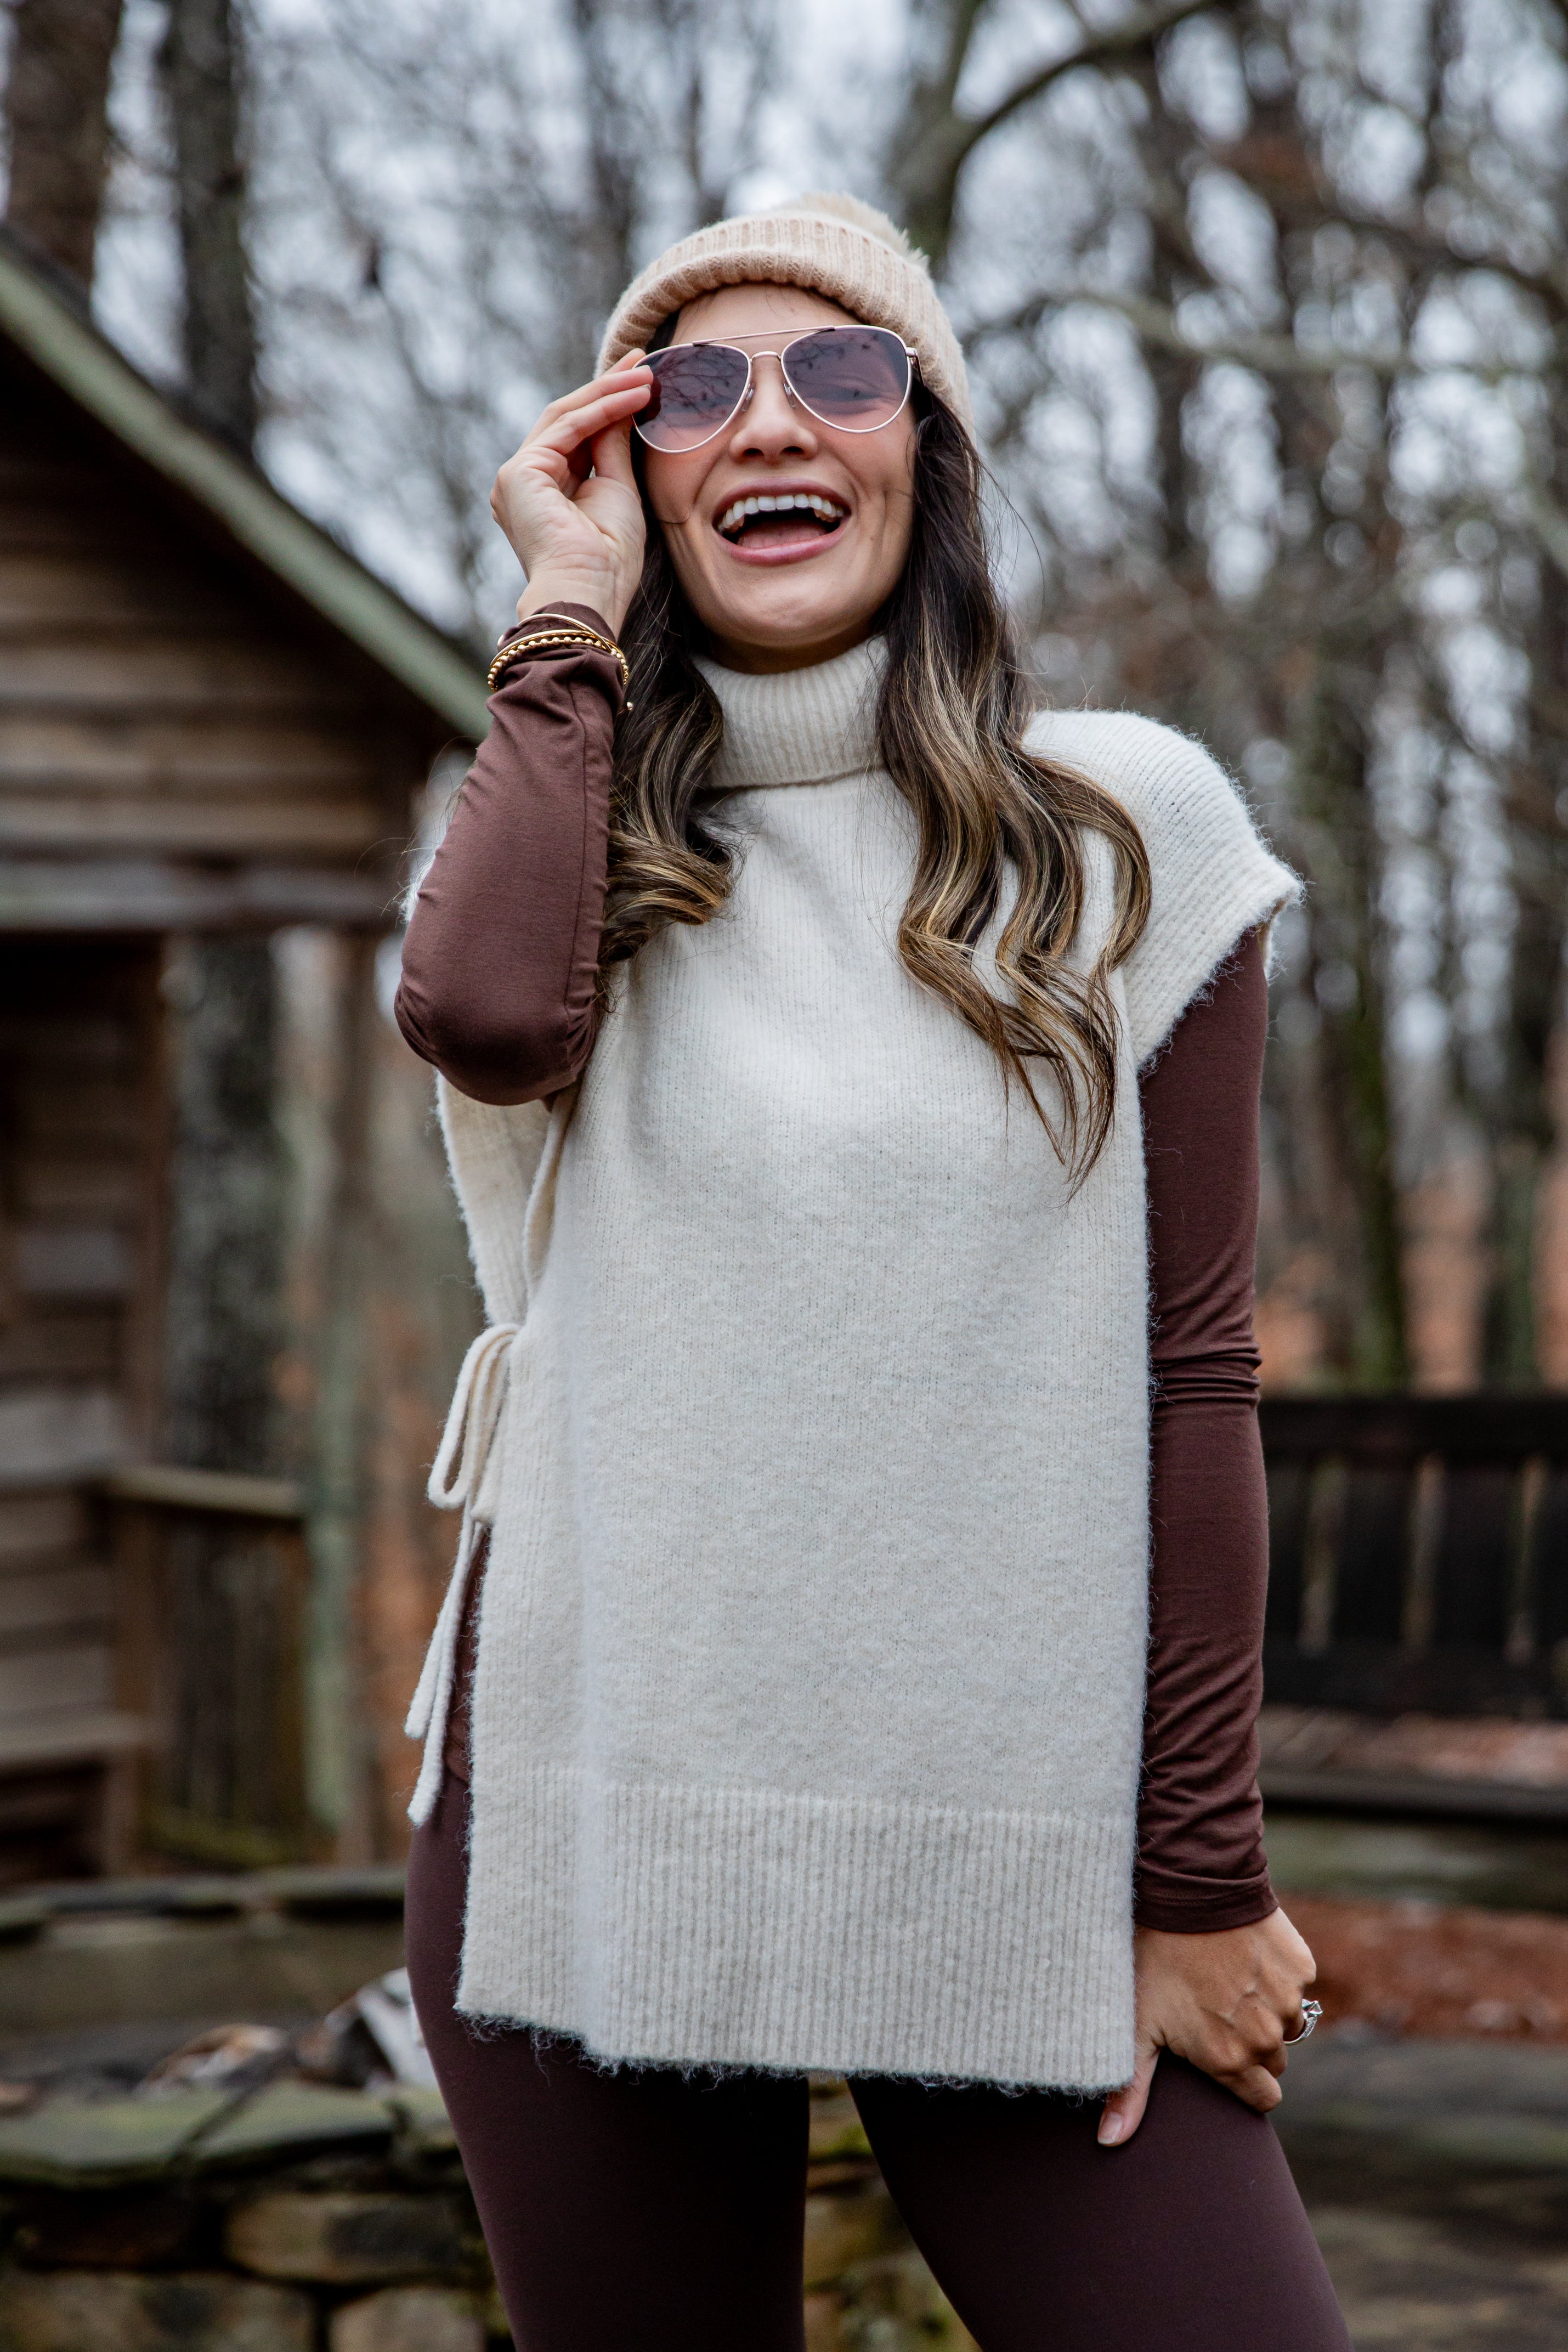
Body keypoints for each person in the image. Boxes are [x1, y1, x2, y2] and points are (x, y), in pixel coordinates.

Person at [395, 193, 1351, 2351]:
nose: (766, 424)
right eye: (690, 388)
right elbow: (475, 1021)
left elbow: (1190, 1376)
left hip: (1006, 1832)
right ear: (628, 466)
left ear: (922, 446)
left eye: (836, 370)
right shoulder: (580, 841)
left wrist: (1193, 1873)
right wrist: (561, 616)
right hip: (593, 1797)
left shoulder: (1124, 833)